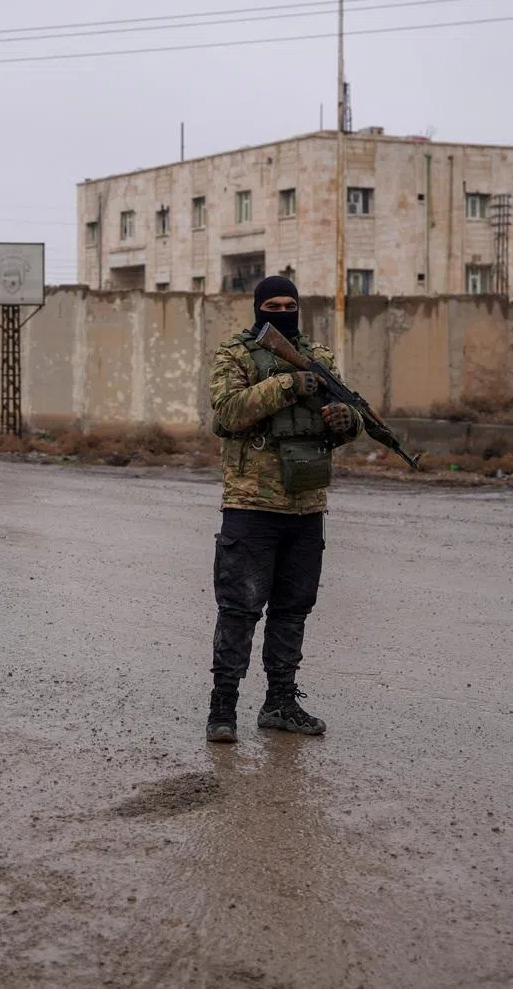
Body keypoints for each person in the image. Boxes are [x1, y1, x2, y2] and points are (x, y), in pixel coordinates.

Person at [205, 275, 364, 743]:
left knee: (293, 610)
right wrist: (289, 385)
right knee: (239, 609)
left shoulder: (321, 359)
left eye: (289, 304)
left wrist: (345, 420)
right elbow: (227, 413)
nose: (281, 310)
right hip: (251, 502)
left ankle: (280, 703)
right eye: (272, 304)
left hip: (306, 502)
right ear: (258, 308)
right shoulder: (235, 354)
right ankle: (223, 709)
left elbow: (346, 418)